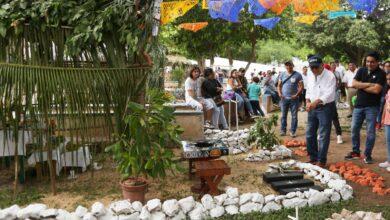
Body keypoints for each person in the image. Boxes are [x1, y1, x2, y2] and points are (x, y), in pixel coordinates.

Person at [345, 51, 386, 164]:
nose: (369, 64)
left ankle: (367, 155)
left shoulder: (381, 74)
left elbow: (377, 90)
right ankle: (355, 151)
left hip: (372, 107)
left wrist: (361, 85)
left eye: (372, 62)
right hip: (358, 106)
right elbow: (353, 83)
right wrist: (369, 84)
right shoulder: (361, 70)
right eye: (367, 61)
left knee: (370, 132)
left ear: (377, 62)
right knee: (354, 129)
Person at [305, 55, 336, 168]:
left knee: (323, 135)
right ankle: (313, 158)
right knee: (309, 134)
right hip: (312, 107)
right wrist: (308, 101)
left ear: (322, 65)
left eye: (316, 67)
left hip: (325, 107)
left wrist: (315, 102)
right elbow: (308, 89)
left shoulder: (330, 76)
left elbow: (329, 94)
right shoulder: (310, 74)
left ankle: (321, 160)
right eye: (311, 67)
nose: (314, 70)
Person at [277, 61, 303, 137]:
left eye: (290, 65)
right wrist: (279, 93)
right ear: (285, 66)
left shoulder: (298, 75)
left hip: (294, 99)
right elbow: (279, 86)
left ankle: (293, 131)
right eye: (287, 65)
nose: (288, 67)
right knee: (283, 115)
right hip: (284, 99)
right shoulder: (282, 74)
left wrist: (296, 95)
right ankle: (283, 130)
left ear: (293, 66)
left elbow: (301, 86)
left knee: (294, 116)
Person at [330, 62, 344, 144]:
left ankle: (339, 135)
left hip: (333, 98)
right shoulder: (326, 74)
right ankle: (321, 133)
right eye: (332, 65)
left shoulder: (337, 73)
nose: (333, 66)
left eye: (334, 65)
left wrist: (338, 88)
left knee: (334, 116)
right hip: (324, 100)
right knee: (323, 118)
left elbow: (339, 81)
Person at [379, 73, 390, 172]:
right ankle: (389, 160)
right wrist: (382, 118)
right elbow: (386, 106)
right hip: (387, 120)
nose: (389, 81)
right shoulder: (389, 91)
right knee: (388, 141)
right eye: (387, 79)